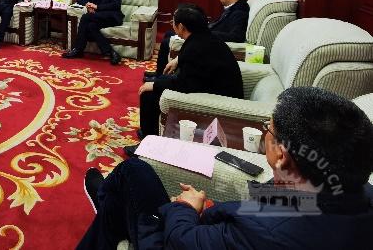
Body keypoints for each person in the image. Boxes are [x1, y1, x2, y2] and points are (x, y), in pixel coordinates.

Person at [77, 86, 373, 249]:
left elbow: (181, 240)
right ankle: (110, 207)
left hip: (176, 237)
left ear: (282, 156)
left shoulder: (263, 232)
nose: (265, 134)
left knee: (132, 172)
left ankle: (108, 202)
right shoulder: (353, 192)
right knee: (119, 199)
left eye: (268, 129)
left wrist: (186, 208)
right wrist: (215, 209)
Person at [131, 3, 242, 146]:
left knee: (149, 93)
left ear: (181, 27)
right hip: (212, 86)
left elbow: (185, 85)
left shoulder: (195, 48)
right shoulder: (204, 37)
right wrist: (177, 60)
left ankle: (148, 143)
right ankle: (149, 131)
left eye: (173, 22)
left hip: (220, 100)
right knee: (163, 79)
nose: (172, 24)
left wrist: (155, 85)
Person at [150, 0, 249, 78]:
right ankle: (160, 72)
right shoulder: (233, 7)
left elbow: (236, 36)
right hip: (207, 35)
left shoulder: (240, 12)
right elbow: (219, 25)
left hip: (208, 40)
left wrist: (206, 32)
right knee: (169, 33)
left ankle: (160, 76)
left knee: (166, 41)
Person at [62, 0, 123, 65]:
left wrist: (97, 7)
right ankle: (111, 53)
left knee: (85, 17)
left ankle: (78, 49)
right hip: (97, 17)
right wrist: (88, 4)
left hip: (112, 17)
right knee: (91, 26)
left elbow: (116, 5)